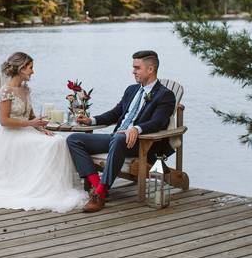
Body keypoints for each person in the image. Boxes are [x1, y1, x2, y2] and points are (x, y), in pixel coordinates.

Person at [0, 52, 88, 212]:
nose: (33, 72)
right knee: (51, 145)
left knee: (58, 140)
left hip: (27, 131)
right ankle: (38, 187)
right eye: (30, 68)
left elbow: (31, 115)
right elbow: (5, 121)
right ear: (20, 68)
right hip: (11, 135)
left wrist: (42, 128)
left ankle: (50, 186)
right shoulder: (5, 91)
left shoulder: (25, 89)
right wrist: (31, 123)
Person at [66, 50, 176, 213]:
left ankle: (100, 194)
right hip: (117, 138)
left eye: (137, 68)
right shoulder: (131, 90)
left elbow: (158, 122)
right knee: (73, 139)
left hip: (140, 143)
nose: (133, 71)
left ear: (150, 69)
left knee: (118, 139)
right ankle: (97, 186)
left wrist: (136, 129)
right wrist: (92, 120)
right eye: (133, 67)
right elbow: (116, 113)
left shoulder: (165, 95)